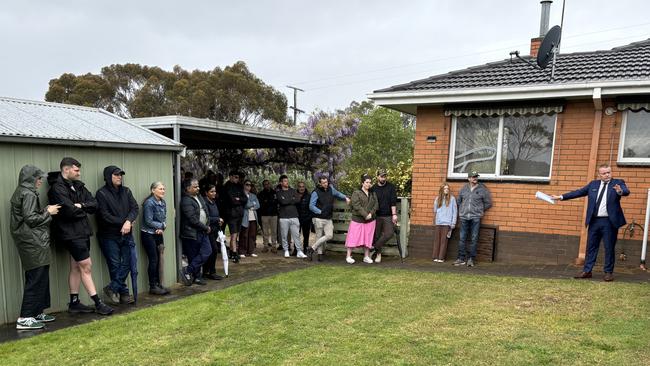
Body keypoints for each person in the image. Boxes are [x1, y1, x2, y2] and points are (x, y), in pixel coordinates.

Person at [47, 157, 113, 315]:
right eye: (76, 170)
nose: (79, 173)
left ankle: (74, 303)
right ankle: (98, 303)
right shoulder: (57, 188)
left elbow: (94, 204)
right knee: (86, 266)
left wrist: (80, 205)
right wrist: (80, 208)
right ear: (66, 169)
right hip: (70, 234)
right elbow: (68, 211)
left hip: (82, 231)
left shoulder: (78, 185)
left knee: (76, 266)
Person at [551, 164, 630, 281]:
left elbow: (626, 191)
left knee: (609, 247)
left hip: (609, 222)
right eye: (604, 173)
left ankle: (608, 272)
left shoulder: (618, 183)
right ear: (599, 175)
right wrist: (561, 197)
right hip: (594, 221)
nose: (607, 175)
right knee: (591, 247)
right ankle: (587, 271)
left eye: (608, 172)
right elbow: (578, 192)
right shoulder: (593, 184)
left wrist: (620, 191)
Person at [10, 165, 61, 330]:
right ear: (31, 179)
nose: (40, 181)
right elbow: (31, 219)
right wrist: (49, 212)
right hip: (32, 243)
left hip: (35, 242)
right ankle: (25, 317)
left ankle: (37, 312)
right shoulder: (28, 193)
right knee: (35, 278)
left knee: (42, 277)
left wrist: (44, 210)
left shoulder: (24, 192)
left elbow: (30, 215)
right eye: (39, 178)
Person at [95, 165, 138, 305]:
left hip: (126, 235)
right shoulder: (101, 193)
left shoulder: (126, 191)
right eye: (116, 175)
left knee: (126, 264)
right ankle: (124, 294)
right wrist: (124, 222)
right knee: (115, 265)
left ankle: (112, 288)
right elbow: (104, 216)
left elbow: (135, 208)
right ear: (108, 177)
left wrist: (128, 221)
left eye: (120, 175)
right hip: (109, 236)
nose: (119, 177)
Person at [453, 171, 492, 267]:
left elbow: (488, 203)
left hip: (476, 217)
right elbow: (459, 201)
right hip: (464, 217)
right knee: (462, 238)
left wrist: (479, 210)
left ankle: (471, 259)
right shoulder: (464, 189)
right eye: (473, 177)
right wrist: (462, 210)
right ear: (469, 178)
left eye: (476, 177)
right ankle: (461, 258)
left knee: (474, 239)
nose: (475, 178)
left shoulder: (482, 189)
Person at [307, 176, 349, 262]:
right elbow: (311, 206)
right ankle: (319, 255)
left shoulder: (331, 189)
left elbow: (338, 194)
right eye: (323, 183)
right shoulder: (315, 192)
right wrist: (320, 212)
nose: (325, 184)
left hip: (328, 218)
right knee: (319, 236)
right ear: (319, 183)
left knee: (329, 235)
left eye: (326, 182)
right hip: (318, 218)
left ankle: (311, 248)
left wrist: (345, 197)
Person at [179, 179, 212, 286]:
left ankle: (188, 270)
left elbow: (205, 211)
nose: (198, 188)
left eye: (198, 186)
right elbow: (192, 219)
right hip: (192, 232)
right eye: (195, 187)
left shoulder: (199, 196)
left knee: (207, 251)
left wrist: (207, 224)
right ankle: (196, 277)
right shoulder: (185, 200)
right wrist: (205, 227)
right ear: (188, 188)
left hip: (202, 230)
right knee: (193, 255)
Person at [141, 182, 171, 295]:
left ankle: (159, 284)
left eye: (164, 189)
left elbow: (164, 218)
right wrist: (161, 226)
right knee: (153, 259)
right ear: (153, 190)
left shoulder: (163, 202)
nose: (163, 191)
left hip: (158, 233)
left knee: (160, 259)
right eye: (160, 189)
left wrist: (162, 228)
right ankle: (152, 286)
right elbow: (148, 221)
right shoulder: (149, 203)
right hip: (148, 234)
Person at [345, 174, 378, 264]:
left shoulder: (373, 193)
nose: (368, 184)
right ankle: (348, 256)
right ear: (362, 183)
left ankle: (366, 257)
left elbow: (376, 205)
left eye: (370, 183)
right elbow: (356, 205)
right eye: (367, 182)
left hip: (370, 220)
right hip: (358, 219)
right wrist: (365, 215)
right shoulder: (356, 193)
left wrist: (371, 213)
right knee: (353, 237)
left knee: (368, 238)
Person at [370, 169, 398, 263]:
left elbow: (393, 202)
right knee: (377, 235)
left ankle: (375, 246)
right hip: (376, 216)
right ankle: (378, 254)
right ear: (377, 177)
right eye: (381, 176)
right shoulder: (373, 188)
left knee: (389, 233)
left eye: (384, 176)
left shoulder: (391, 187)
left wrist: (394, 214)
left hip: (388, 215)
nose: (383, 178)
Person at [277, 175, 308, 258]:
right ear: (281, 183)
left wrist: (287, 200)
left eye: (287, 180)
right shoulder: (279, 192)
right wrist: (292, 199)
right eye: (285, 181)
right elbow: (282, 202)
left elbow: (298, 200)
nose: (287, 182)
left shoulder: (293, 190)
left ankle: (299, 251)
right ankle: (286, 250)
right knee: (284, 235)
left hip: (294, 216)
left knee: (296, 235)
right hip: (283, 217)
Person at [223, 171, 247, 262]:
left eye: (238, 177)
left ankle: (232, 252)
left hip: (240, 213)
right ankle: (234, 253)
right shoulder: (227, 186)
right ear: (230, 177)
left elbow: (245, 199)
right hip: (231, 214)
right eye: (236, 177)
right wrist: (239, 200)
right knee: (233, 234)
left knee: (236, 233)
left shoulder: (239, 186)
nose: (237, 179)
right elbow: (231, 200)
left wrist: (239, 199)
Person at [201, 184, 224, 280]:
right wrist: (217, 219)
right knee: (213, 250)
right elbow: (206, 217)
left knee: (212, 251)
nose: (214, 193)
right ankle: (211, 272)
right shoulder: (204, 202)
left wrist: (219, 222)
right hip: (208, 230)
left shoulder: (213, 201)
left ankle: (207, 271)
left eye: (214, 191)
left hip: (215, 230)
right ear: (206, 193)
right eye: (211, 191)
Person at [432, 183, 457, 263]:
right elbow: (435, 211)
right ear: (441, 190)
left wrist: (453, 223)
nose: (446, 190)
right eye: (445, 188)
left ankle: (441, 257)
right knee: (437, 240)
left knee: (444, 241)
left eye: (447, 188)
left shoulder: (452, 199)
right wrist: (435, 222)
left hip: (447, 223)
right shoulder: (437, 199)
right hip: (438, 222)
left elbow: (455, 212)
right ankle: (435, 256)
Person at [239, 180, 260, 258]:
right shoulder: (241, 194)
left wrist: (250, 205)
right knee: (244, 235)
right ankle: (242, 251)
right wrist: (252, 204)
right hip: (245, 218)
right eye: (247, 184)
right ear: (244, 185)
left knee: (252, 235)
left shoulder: (253, 195)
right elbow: (245, 205)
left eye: (250, 185)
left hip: (253, 218)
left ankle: (250, 251)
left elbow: (258, 205)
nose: (249, 186)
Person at [258, 179, 279, 253]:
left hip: (274, 214)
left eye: (268, 184)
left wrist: (267, 202)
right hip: (264, 215)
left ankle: (274, 246)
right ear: (263, 186)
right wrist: (269, 202)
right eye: (265, 184)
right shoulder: (261, 194)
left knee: (274, 231)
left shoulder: (275, 193)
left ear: (270, 184)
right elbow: (261, 204)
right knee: (265, 232)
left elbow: (276, 202)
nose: (267, 185)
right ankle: (265, 246)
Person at [296, 181, 313, 256]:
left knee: (306, 236)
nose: (301, 188)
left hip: (306, 218)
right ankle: (296, 250)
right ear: (298, 187)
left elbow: (311, 207)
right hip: (297, 218)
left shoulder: (309, 195)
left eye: (303, 186)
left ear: (305, 187)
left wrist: (309, 217)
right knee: (296, 235)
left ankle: (305, 249)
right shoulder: (294, 195)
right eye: (300, 186)